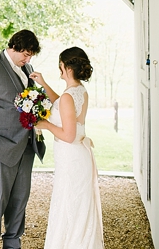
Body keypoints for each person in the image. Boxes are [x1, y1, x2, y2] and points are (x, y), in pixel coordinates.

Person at [0, 29, 46, 249]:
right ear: (13, 47)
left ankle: (13, 242)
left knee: (19, 201)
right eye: (25, 54)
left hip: (27, 147)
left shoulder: (28, 69)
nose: (28, 59)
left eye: (31, 55)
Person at [31, 47, 104, 248]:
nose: (59, 70)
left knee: (69, 204)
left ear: (68, 67)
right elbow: (61, 105)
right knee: (78, 205)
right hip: (79, 156)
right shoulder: (80, 91)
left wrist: (45, 125)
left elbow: (68, 135)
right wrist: (43, 84)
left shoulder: (69, 96)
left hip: (71, 157)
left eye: (61, 66)